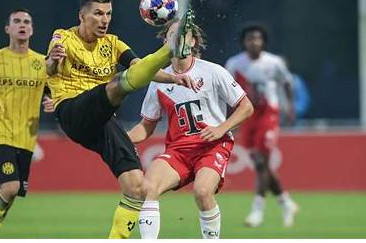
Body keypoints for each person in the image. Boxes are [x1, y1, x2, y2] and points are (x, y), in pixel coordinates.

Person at [45, 0, 195, 239]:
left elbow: (140, 69)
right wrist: (52, 60)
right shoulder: (63, 36)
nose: (104, 20)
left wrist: (173, 78)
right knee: (117, 85)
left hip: (102, 119)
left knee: (137, 186)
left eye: (108, 14)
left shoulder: (113, 43)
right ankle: (169, 50)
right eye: (98, 13)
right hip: (71, 111)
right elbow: (50, 66)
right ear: (82, 16)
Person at [128, 13, 254, 239]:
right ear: (165, 42)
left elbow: (246, 107)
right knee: (147, 188)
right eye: (172, 35)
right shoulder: (159, 80)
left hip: (212, 146)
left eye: (183, 35)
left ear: (193, 41)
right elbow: (146, 126)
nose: (178, 40)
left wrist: (221, 128)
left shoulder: (213, 71)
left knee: (202, 192)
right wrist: (122, 138)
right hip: (178, 151)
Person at [0, 8, 54, 239]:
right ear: (8, 28)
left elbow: (54, 93)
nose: (22, 25)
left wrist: (52, 101)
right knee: (10, 187)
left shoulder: (42, 63)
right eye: (17, 21)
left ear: (32, 29)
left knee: (11, 192)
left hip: (26, 138)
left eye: (26, 21)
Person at [225, 23, 299, 228]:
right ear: (243, 42)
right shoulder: (234, 64)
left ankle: (257, 210)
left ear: (263, 41)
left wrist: (290, 106)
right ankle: (285, 202)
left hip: (269, 114)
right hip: (247, 116)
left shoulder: (274, 62)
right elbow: (227, 91)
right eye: (250, 38)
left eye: (257, 38)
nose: (254, 42)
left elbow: (287, 82)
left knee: (261, 161)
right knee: (261, 164)